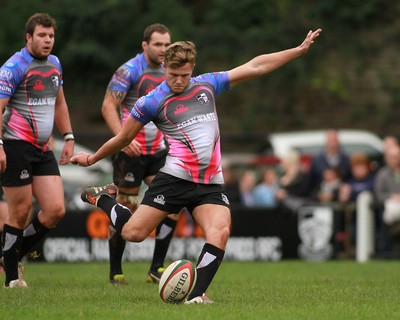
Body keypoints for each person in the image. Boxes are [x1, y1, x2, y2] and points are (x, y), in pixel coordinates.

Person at [71, 28, 322, 303]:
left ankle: (197, 295)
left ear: (193, 69)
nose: (179, 81)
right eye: (173, 74)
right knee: (133, 233)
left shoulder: (208, 84)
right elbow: (123, 137)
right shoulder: (151, 101)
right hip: (175, 178)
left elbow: (255, 66)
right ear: (164, 66)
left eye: (185, 75)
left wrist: (297, 51)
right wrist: (92, 158)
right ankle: (104, 198)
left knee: (221, 231)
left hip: (210, 182)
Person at [101, 23, 181, 285]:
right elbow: (108, 106)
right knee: (126, 208)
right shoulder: (129, 70)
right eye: (158, 44)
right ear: (145, 45)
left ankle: (156, 268)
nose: (163, 49)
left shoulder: (172, 71)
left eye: (167, 44)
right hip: (131, 151)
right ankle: (115, 272)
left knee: (172, 204)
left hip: (159, 150)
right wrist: (121, 138)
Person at [0, 13, 74, 288]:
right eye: (42, 35)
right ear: (28, 37)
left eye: (51, 36)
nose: (47, 41)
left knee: (55, 209)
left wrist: (68, 136)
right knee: (19, 212)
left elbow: (59, 104)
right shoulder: (13, 67)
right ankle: (11, 278)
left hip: (43, 148)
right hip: (15, 144)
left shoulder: (54, 63)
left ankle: (9, 255)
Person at [309, 129, 352, 196]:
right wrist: (318, 194)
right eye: (331, 141)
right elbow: (311, 184)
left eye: (335, 141)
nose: (333, 144)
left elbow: (350, 179)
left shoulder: (346, 160)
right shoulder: (317, 161)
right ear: (326, 142)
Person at [374, 145, 400, 251]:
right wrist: (392, 197)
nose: (397, 160)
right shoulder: (383, 174)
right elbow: (378, 195)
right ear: (388, 158)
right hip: (389, 209)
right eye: (394, 157)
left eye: (398, 156)